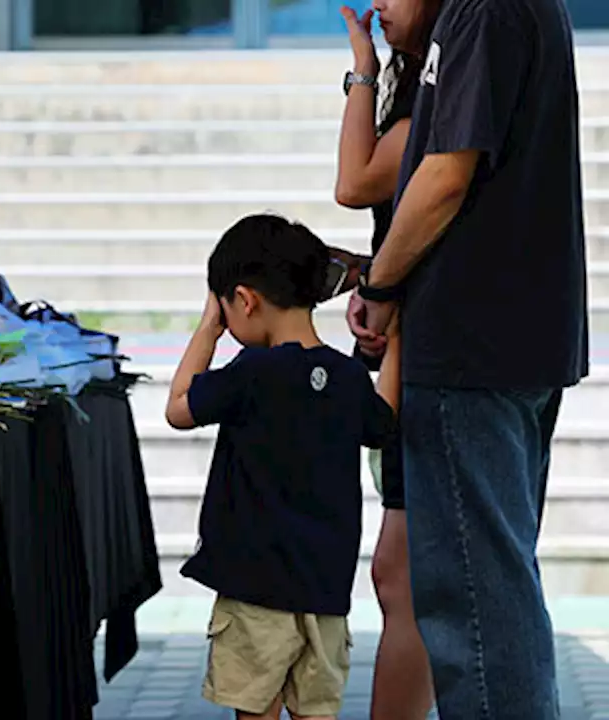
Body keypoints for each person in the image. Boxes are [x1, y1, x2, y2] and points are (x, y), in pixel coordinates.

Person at [348, 0, 589, 714]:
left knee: (478, 611)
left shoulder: (484, 12)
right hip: (508, 344)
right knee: (495, 594)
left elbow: (445, 175)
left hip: (472, 350)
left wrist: (379, 284)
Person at [165, 214, 399, 720]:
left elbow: (178, 408)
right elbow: (387, 423)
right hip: (326, 593)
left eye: (227, 309)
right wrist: (395, 337)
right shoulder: (347, 379)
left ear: (244, 300)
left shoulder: (250, 372)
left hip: (255, 591)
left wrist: (208, 325)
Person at [332, 1, 441, 717]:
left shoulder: (436, 100)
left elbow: (353, 181)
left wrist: (363, 71)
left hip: (425, 353)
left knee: (401, 576)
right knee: (397, 573)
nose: (377, 7)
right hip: (400, 343)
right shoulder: (421, 90)